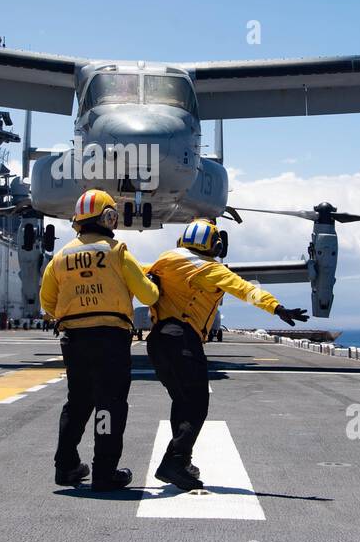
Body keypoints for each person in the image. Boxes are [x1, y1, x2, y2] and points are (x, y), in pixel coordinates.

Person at [144, 219, 309, 491]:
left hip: (157, 340)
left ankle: (181, 461)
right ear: (215, 244)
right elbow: (247, 290)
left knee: (182, 401)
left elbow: (132, 273)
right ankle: (173, 461)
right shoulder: (211, 268)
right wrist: (278, 309)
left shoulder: (164, 260)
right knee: (196, 404)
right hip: (183, 339)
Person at [40, 189, 159, 492]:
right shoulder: (117, 251)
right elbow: (148, 295)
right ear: (108, 217)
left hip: (74, 339)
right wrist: (153, 287)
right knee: (110, 403)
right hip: (110, 339)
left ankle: (65, 467)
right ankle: (104, 472)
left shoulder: (61, 256)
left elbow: (47, 304)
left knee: (77, 403)